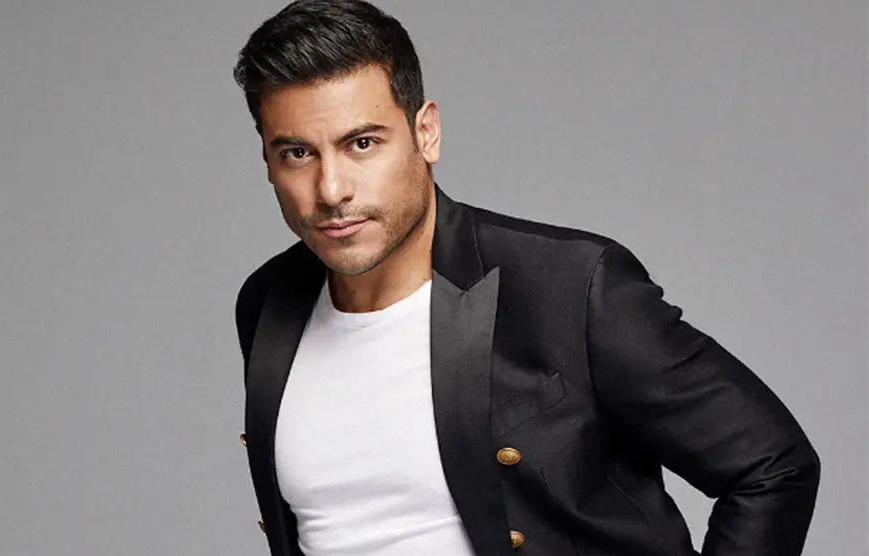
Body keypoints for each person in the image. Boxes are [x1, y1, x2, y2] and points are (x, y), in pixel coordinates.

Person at [231, 1, 820, 555]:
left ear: (426, 132)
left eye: (362, 143)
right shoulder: (268, 303)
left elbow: (773, 465)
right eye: (297, 154)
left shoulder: (569, 286)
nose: (332, 190)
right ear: (267, 162)